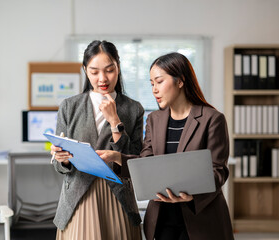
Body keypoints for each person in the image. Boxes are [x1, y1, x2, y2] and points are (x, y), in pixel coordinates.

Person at [98, 52, 234, 240]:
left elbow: (218, 170)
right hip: (162, 220)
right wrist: (117, 158)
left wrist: (193, 195)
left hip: (200, 219)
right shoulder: (154, 119)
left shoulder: (212, 119)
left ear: (180, 81)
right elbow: (146, 162)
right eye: (151, 83)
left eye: (159, 82)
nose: (154, 89)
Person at [50, 40, 144, 240]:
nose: (102, 78)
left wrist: (114, 121)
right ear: (85, 70)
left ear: (118, 67)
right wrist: (62, 158)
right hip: (78, 198)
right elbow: (60, 168)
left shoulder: (133, 109)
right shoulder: (69, 106)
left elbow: (135, 161)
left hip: (118, 198)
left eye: (109, 70)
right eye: (94, 72)